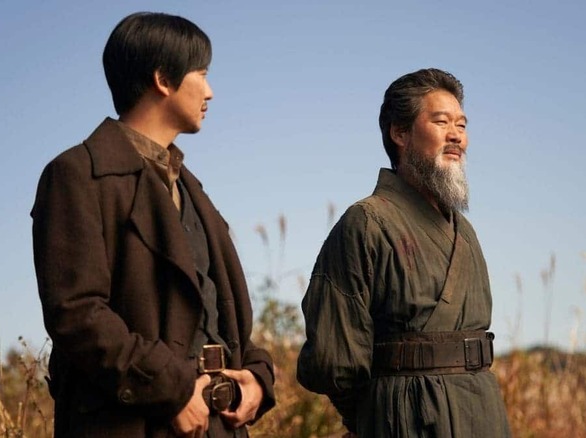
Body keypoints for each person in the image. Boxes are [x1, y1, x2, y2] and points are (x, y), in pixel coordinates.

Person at [31, 12, 275, 438]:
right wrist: (173, 390)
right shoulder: (76, 175)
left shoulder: (192, 189)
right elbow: (78, 314)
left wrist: (256, 376)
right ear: (164, 79)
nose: (211, 91)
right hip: (132, 424)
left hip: (218, 425)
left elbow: (219, 311)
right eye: (202, 73)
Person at [297, 68, 511, 437]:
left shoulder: (465, 232)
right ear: (400, 133)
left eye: (461, 124)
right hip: (405, 417)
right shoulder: (366, 222)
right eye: (441, 121)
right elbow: (335, 358)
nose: (456, 135)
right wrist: (377, 416)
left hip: (482, 412)